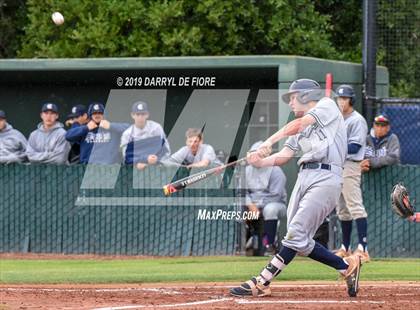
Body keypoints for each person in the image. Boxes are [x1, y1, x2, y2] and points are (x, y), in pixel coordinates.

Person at [230, 79, 362, 298]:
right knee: (298, 239)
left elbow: (300, 125)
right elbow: (284, 157)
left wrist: (268, 140)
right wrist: (258, 161)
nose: (290, 103)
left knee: (296, 234)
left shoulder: (326, 105)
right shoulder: (298, 125)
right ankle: (346, 266)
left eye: (292, 97)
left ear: (305, 95)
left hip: (326, 175)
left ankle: (262, 281)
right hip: (304, 177)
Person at [334, 85, 370, 263]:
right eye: (339, 98)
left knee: (354, 205)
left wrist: (332, 147)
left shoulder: (357, 120)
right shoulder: (337, 119)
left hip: (350, 165)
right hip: (337, 165)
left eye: (344, 98)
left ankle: (363, 248)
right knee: (342, 209)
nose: (341, 101)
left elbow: (355, 146)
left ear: (351, 100)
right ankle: (345, 248)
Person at [245, 141, 287, 255]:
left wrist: (257, 206)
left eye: (257, 155)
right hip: (253, 205)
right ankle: (242, 244)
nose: (254, 158)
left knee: (270, 209)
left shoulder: (275, 170)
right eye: (253, 155)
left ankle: (270, 245)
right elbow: (242, 193)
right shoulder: (247, 170)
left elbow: (276, 196)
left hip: (276, 205)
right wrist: (251, 205)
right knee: (237, 207)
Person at [121, 101, 170, 170]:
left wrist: (158, 159)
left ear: (147, 115)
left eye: (143, 114)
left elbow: (166, 149)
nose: (140, 117)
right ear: (132, 115)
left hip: (157, 167)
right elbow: (126, 156)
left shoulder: (156, 128)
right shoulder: (127, 134)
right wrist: (137, 162)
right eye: (137, 114)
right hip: (136, 169)